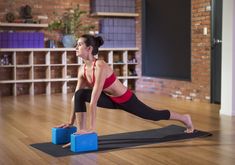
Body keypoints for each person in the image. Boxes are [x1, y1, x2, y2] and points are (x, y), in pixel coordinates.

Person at [56, 34, 194, 134]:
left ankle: (184, 118)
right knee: (79, 94)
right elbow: (76, 98)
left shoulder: (100, 66)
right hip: (110, 99)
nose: (76, 47)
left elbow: (94, 99)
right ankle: (81, 130)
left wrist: (92, 128)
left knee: (153, 115)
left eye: (79, 44)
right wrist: (70, 122)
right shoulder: (82, 70)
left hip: (125, 99)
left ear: (89, 49)